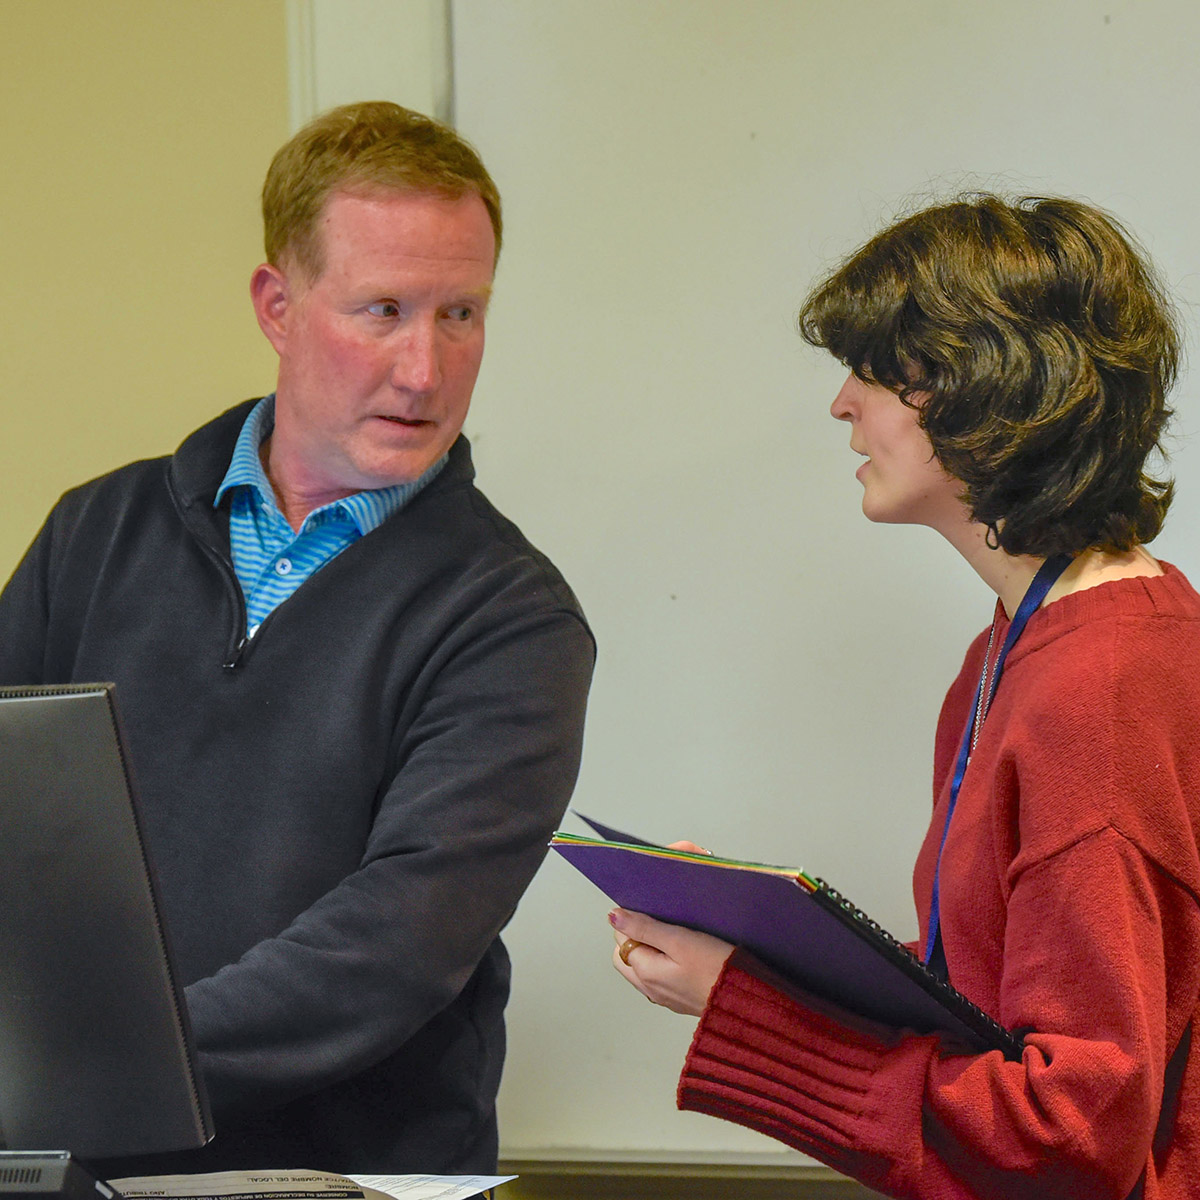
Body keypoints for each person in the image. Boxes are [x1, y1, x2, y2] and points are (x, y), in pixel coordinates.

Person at [0, 101, 594, 1175]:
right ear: (277, 305)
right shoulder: (97, 531)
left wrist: (105, 1065)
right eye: (382, 310)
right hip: (66, 1155)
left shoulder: (510, 616)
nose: (425, 369)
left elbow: (396, 943)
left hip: (338, 1174)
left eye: (461, 314)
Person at [607, 194, 1200, 1198]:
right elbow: (983, 1007)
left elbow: (1070, 1136)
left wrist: (744, 1013)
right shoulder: (1013, 653)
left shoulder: (1098, 690)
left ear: (983, 387)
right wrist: (761, 956)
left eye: (878, 374)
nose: (843, 403)